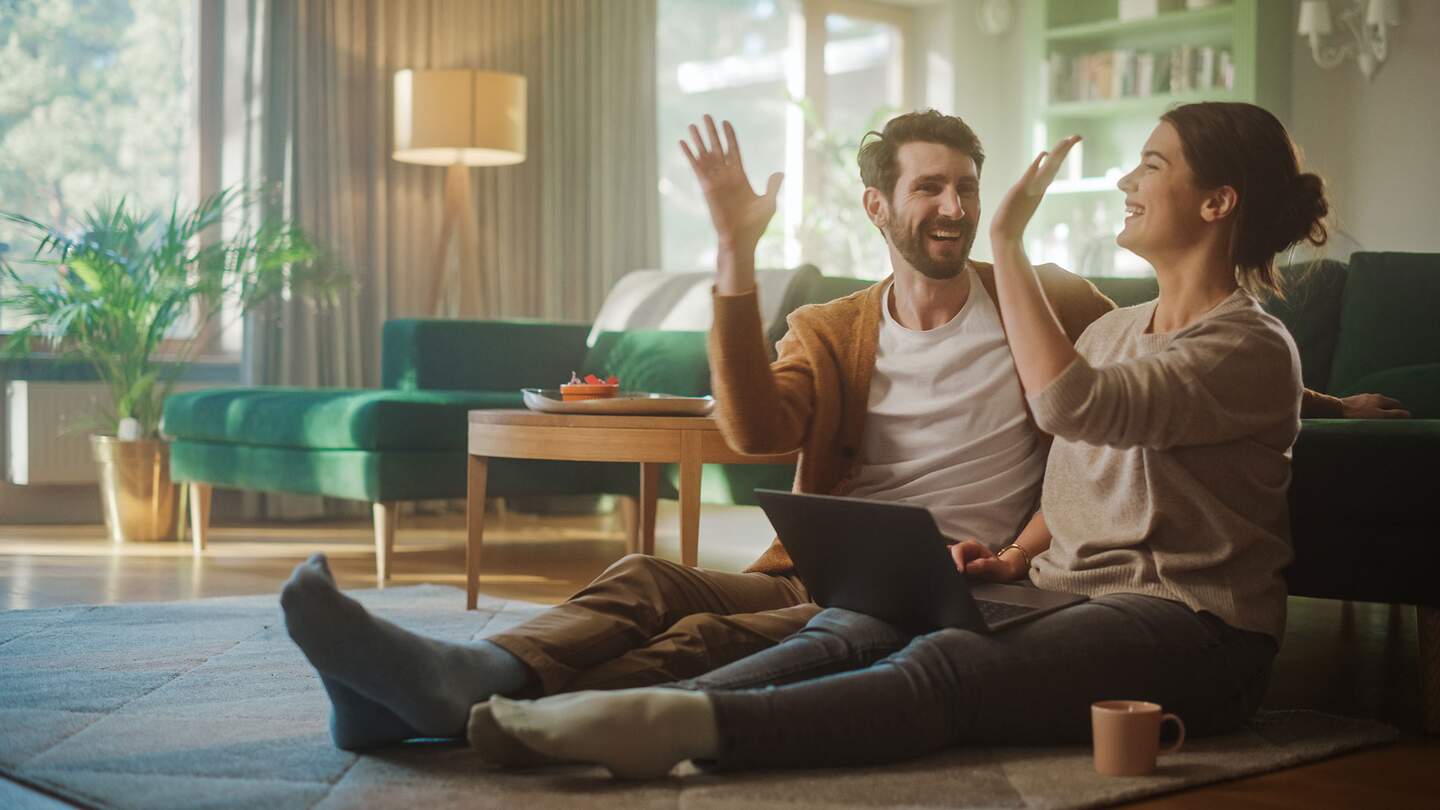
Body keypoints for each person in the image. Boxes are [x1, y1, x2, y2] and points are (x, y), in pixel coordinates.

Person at [279, 108, 1398, 752]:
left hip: (1019, 595)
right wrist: (733, 253)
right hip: (894, 573)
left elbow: (1170, 388)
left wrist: (1331, 402)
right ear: (880, 208)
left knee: (766, 646)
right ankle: (464, 678)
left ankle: (545, 715)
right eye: (930, 191)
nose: (955, 208)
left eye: (967, 187)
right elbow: (752, 426)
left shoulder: (1052, 306)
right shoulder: (839, 325)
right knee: (654, 584)